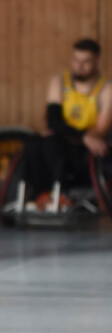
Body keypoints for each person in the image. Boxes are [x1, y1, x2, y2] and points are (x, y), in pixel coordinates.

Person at [22, 38, 111, 211]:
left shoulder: (106, 89)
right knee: (34, 142)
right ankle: (41, 195)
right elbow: (53, 120)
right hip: (70, 138)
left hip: (85, 150)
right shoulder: (59, 82)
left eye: (86, 62)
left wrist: (78, 137)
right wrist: (81, 135)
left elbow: (100, 130)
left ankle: (61, 195)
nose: (80, 66)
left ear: (96, 61)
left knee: (54, 144)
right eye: (76, 60)